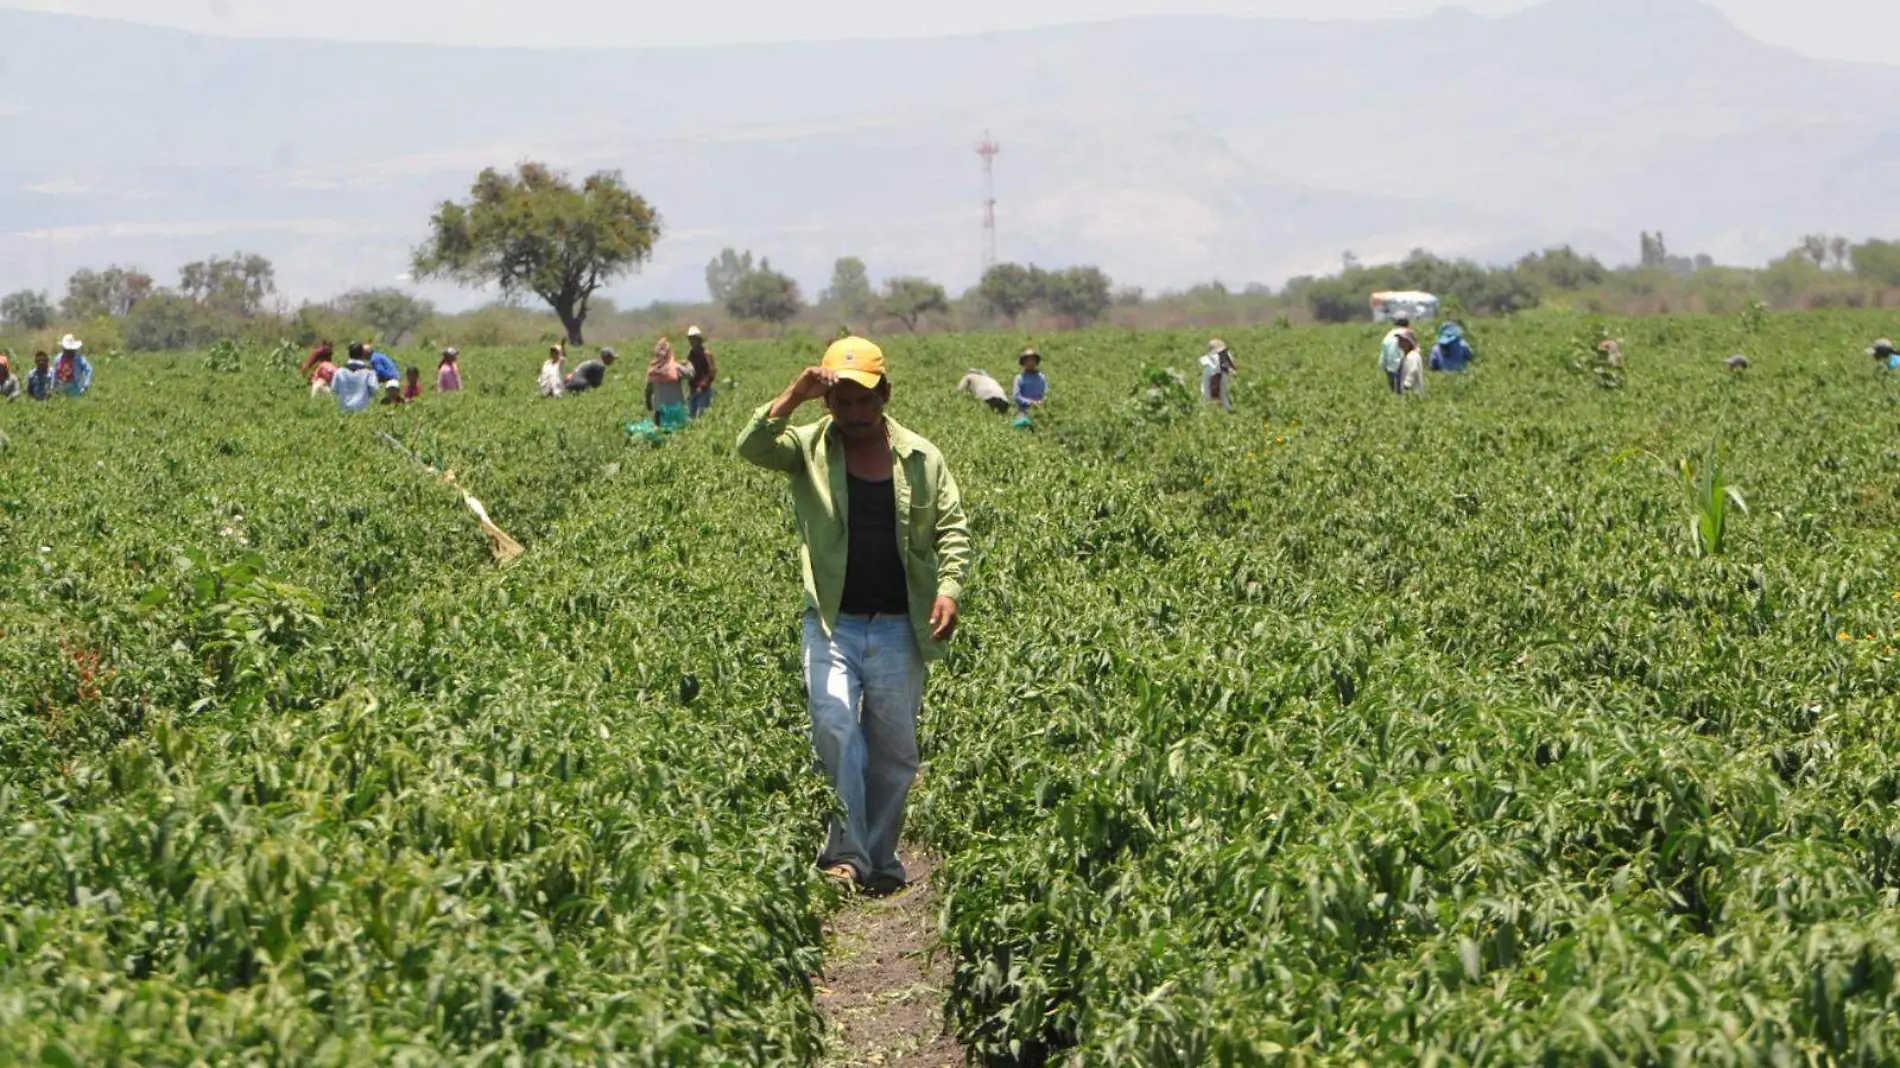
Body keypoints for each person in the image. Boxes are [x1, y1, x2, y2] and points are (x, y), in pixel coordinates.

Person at [736, 335, 972, 895]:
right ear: (828, 403)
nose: (854, 412)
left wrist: (950, 588)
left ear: (885, 395)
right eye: (841, 401)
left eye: (864, 400)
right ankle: (845, 855)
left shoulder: (921, 457)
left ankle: (881, 858)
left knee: (894, 752)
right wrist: (793, 394)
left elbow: (952, 528)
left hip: (898, 622)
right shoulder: (807, 448)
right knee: (835, 722)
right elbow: (752, 445)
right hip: (832, 619)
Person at [647, 338, 690, 427]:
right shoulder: (675, 367)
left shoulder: (653, 369)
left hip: (659, 410)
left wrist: (648, 402)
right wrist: (687, 364)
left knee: (661, 433)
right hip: (675, 409)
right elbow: (690, 374)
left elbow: (648, 389)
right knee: (676, 432)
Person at [686, 326, 718, 419]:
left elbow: (711, 372)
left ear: (698, 339)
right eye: (690, 339)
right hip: (693, 389)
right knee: (692, 416)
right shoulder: (691, 353)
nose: (691, 341)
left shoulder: (706, 353)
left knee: (701, 416)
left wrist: (702, 385)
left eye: (693, 339)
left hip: (703, 390)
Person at [332, 348, 377, 413]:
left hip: (344, 410)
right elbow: (374, 389)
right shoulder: (369, 372)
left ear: (349, 354)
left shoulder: (340, 371)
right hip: (363, 410)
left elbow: (334, 389)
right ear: (362, 354)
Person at [1201, 339, 1238, 411]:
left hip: (1212, 397)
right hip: (1215, 398)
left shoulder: (1211, 363)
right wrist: (1216, 398)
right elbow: (1215, 382)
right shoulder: (1215, 366)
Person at [1012, 348, 1049, 413]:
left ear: (1036, 362)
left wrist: (1042, 401)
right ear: (1023, 363)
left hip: (1041, 409)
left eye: (1032, 360)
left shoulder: (1042, 377)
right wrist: (1031, 402)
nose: (1030, 363)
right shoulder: (1019, 378)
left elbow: (1047, 392)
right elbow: (1016, 396)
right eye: (1027, 361)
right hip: (1024, 410)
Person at [1380, 319, 1412, 395]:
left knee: (1394, 393)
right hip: (1403, 366)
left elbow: (1383, 358)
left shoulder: (1388, 335)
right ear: (1407, 324)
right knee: (1405, 393)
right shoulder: (1408, 333)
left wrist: (1384, 367)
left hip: (1390, 368)